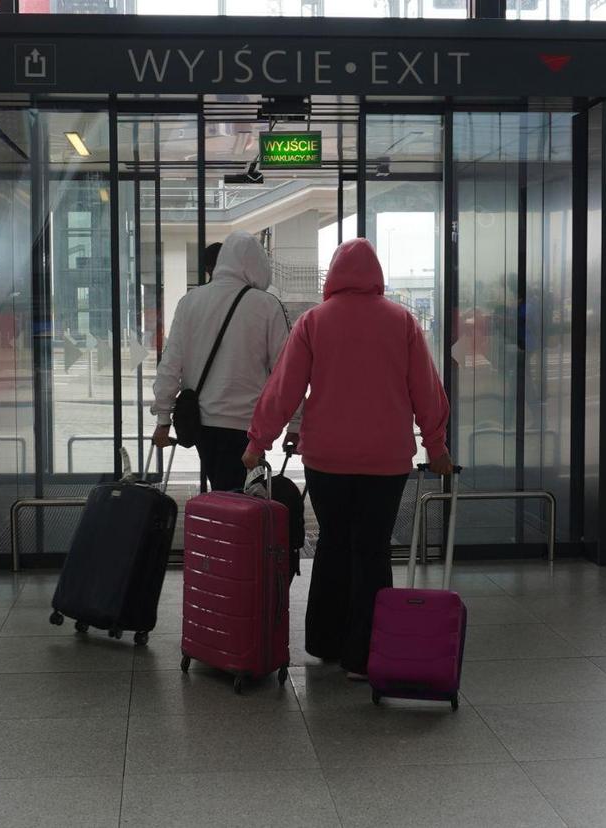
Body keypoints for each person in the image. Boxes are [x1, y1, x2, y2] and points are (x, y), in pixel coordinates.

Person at [243, 238, 452, 680]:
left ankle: (326, 641)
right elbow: (427, 392)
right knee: (373, 549)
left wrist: (258, 441)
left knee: (335, 543)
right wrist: (436, 447)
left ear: (334, 275)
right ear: (375, 274)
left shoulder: (314, 322)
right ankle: (366, 653)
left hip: (328, 460)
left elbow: (284, 389)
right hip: (387, 461)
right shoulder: (402, 322)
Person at [152, 231, 299, 492]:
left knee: (222, 494)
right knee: (246, 502)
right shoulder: (267, 306)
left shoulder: (189, 302)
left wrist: (163, 418)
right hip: (249, 426)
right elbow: (286, 374)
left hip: (202, 425)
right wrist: (296, 423)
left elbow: (170, 365)